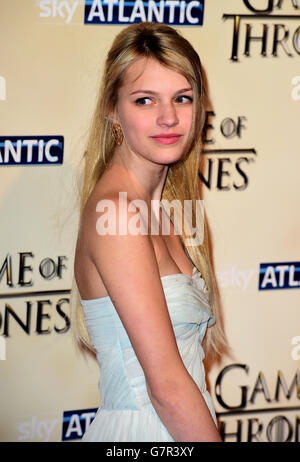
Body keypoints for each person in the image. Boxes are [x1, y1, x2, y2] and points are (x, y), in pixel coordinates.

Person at [72, 21, 227, 442]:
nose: (169, 118)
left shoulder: (174, 210)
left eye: (182, 98)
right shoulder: (117, 214)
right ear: (112, 108)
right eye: (145, 100)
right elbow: (167, 389)